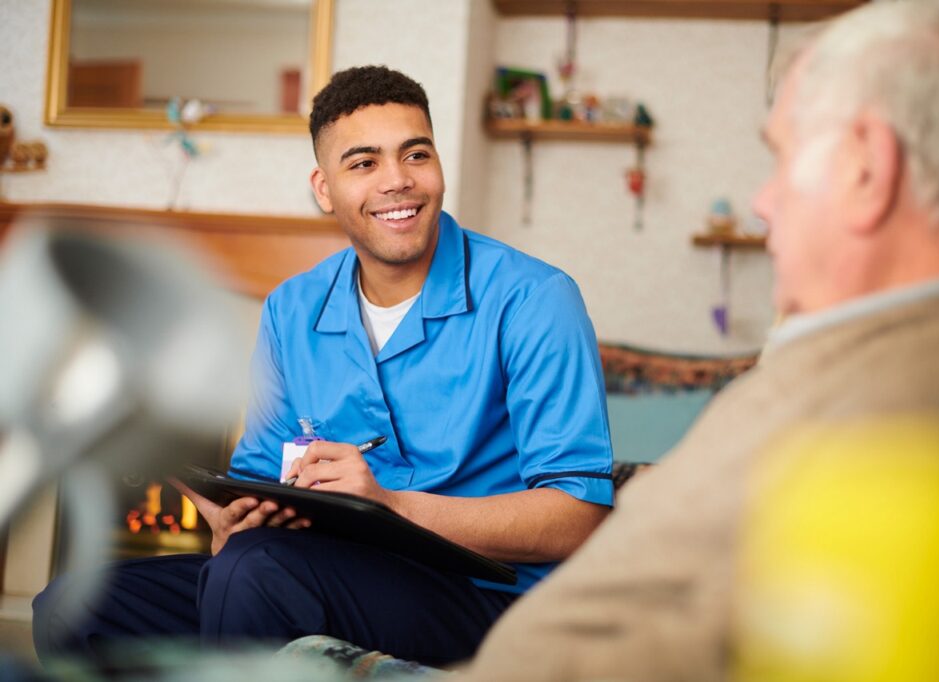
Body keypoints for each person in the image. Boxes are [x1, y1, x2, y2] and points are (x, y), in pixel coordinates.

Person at [465, 1, 939, 679]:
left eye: (781, 157)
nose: (762, 201)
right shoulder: (907, 351)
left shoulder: (893, 395)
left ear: (866, 169)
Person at [32, 66, 614, 666]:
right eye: (364, 163)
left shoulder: (536, 299)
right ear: (324, 188)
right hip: (320, 569)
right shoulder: (291, 308)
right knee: (72, 606)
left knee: (253, 575)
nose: (398, 182)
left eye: (416, 154)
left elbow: (577, 517)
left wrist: (388, 503)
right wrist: (234, 516)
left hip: (489, 596)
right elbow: (261, 478)